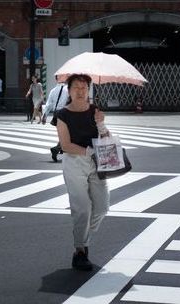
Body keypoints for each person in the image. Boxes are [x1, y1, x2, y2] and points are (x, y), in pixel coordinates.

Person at [56, 74, 110, 271]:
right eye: (76, 87)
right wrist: (88, 151)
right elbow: (65, 145)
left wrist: (101, 124)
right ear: (69, 90)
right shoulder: (63, 114)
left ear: (89, 90)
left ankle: (83, 232)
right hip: (74, 163)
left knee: (103, 206)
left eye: (84, 87)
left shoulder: (95, 110)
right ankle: (80, 250)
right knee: (82, 209)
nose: (80, 91)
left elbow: (106, 138)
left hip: (97, 163)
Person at [43, 78, 69, 162]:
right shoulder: (68, 89)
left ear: (56, 80)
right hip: (65, 114)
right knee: (69, 135)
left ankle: (61, 150)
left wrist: (45, 115)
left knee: (63, 135)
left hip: (56, 113)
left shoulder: (53, 90)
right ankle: (57, 149)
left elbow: (49, 104)